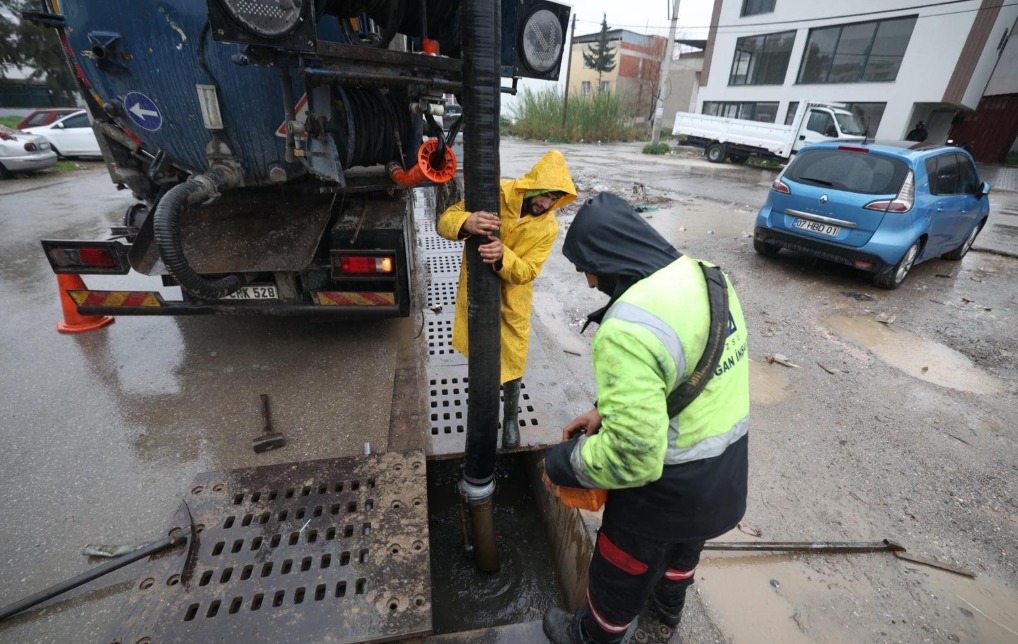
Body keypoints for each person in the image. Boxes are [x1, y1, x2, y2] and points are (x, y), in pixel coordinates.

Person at [540, 192, 750, 644]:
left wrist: (563, 463)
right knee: (682, 555)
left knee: (620, 570)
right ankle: (668, 613)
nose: (591, 284)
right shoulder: (709, 277)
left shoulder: (626, 327)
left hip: (664, 493)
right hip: (725, 476)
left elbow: (633, 458)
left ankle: (594, 636)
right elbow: (684, 369)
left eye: (586, 269)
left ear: (608, 257)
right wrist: (604, 410)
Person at [437, 150, 576, 448]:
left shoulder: (548, 226)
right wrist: (466, 221)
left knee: (513, 358)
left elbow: (528, 270)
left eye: (554, 199)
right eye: (546, 195)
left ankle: (510, 415)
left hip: (513, 298)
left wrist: (504, 255)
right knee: (479, 350)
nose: (547, 204)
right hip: (477, 291)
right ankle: (483, 409)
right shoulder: (496, 194)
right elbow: (445, 220)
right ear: (533, 184)